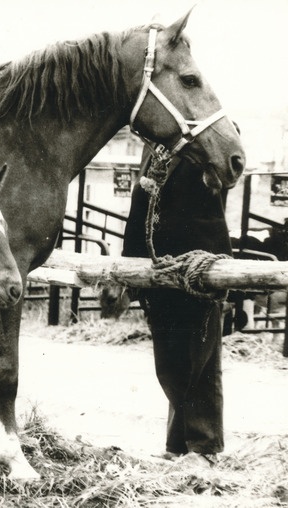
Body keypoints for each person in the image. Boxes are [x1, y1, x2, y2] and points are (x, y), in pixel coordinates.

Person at [122, 147, 233, 467]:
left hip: (198, 266)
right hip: (158, 270)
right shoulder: (154, 148)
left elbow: (228, 172)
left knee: (199, 360)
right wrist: (132, 269)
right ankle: (177, 444)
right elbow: (138, 207)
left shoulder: (209, 139)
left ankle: (204, 446)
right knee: (169, 363)